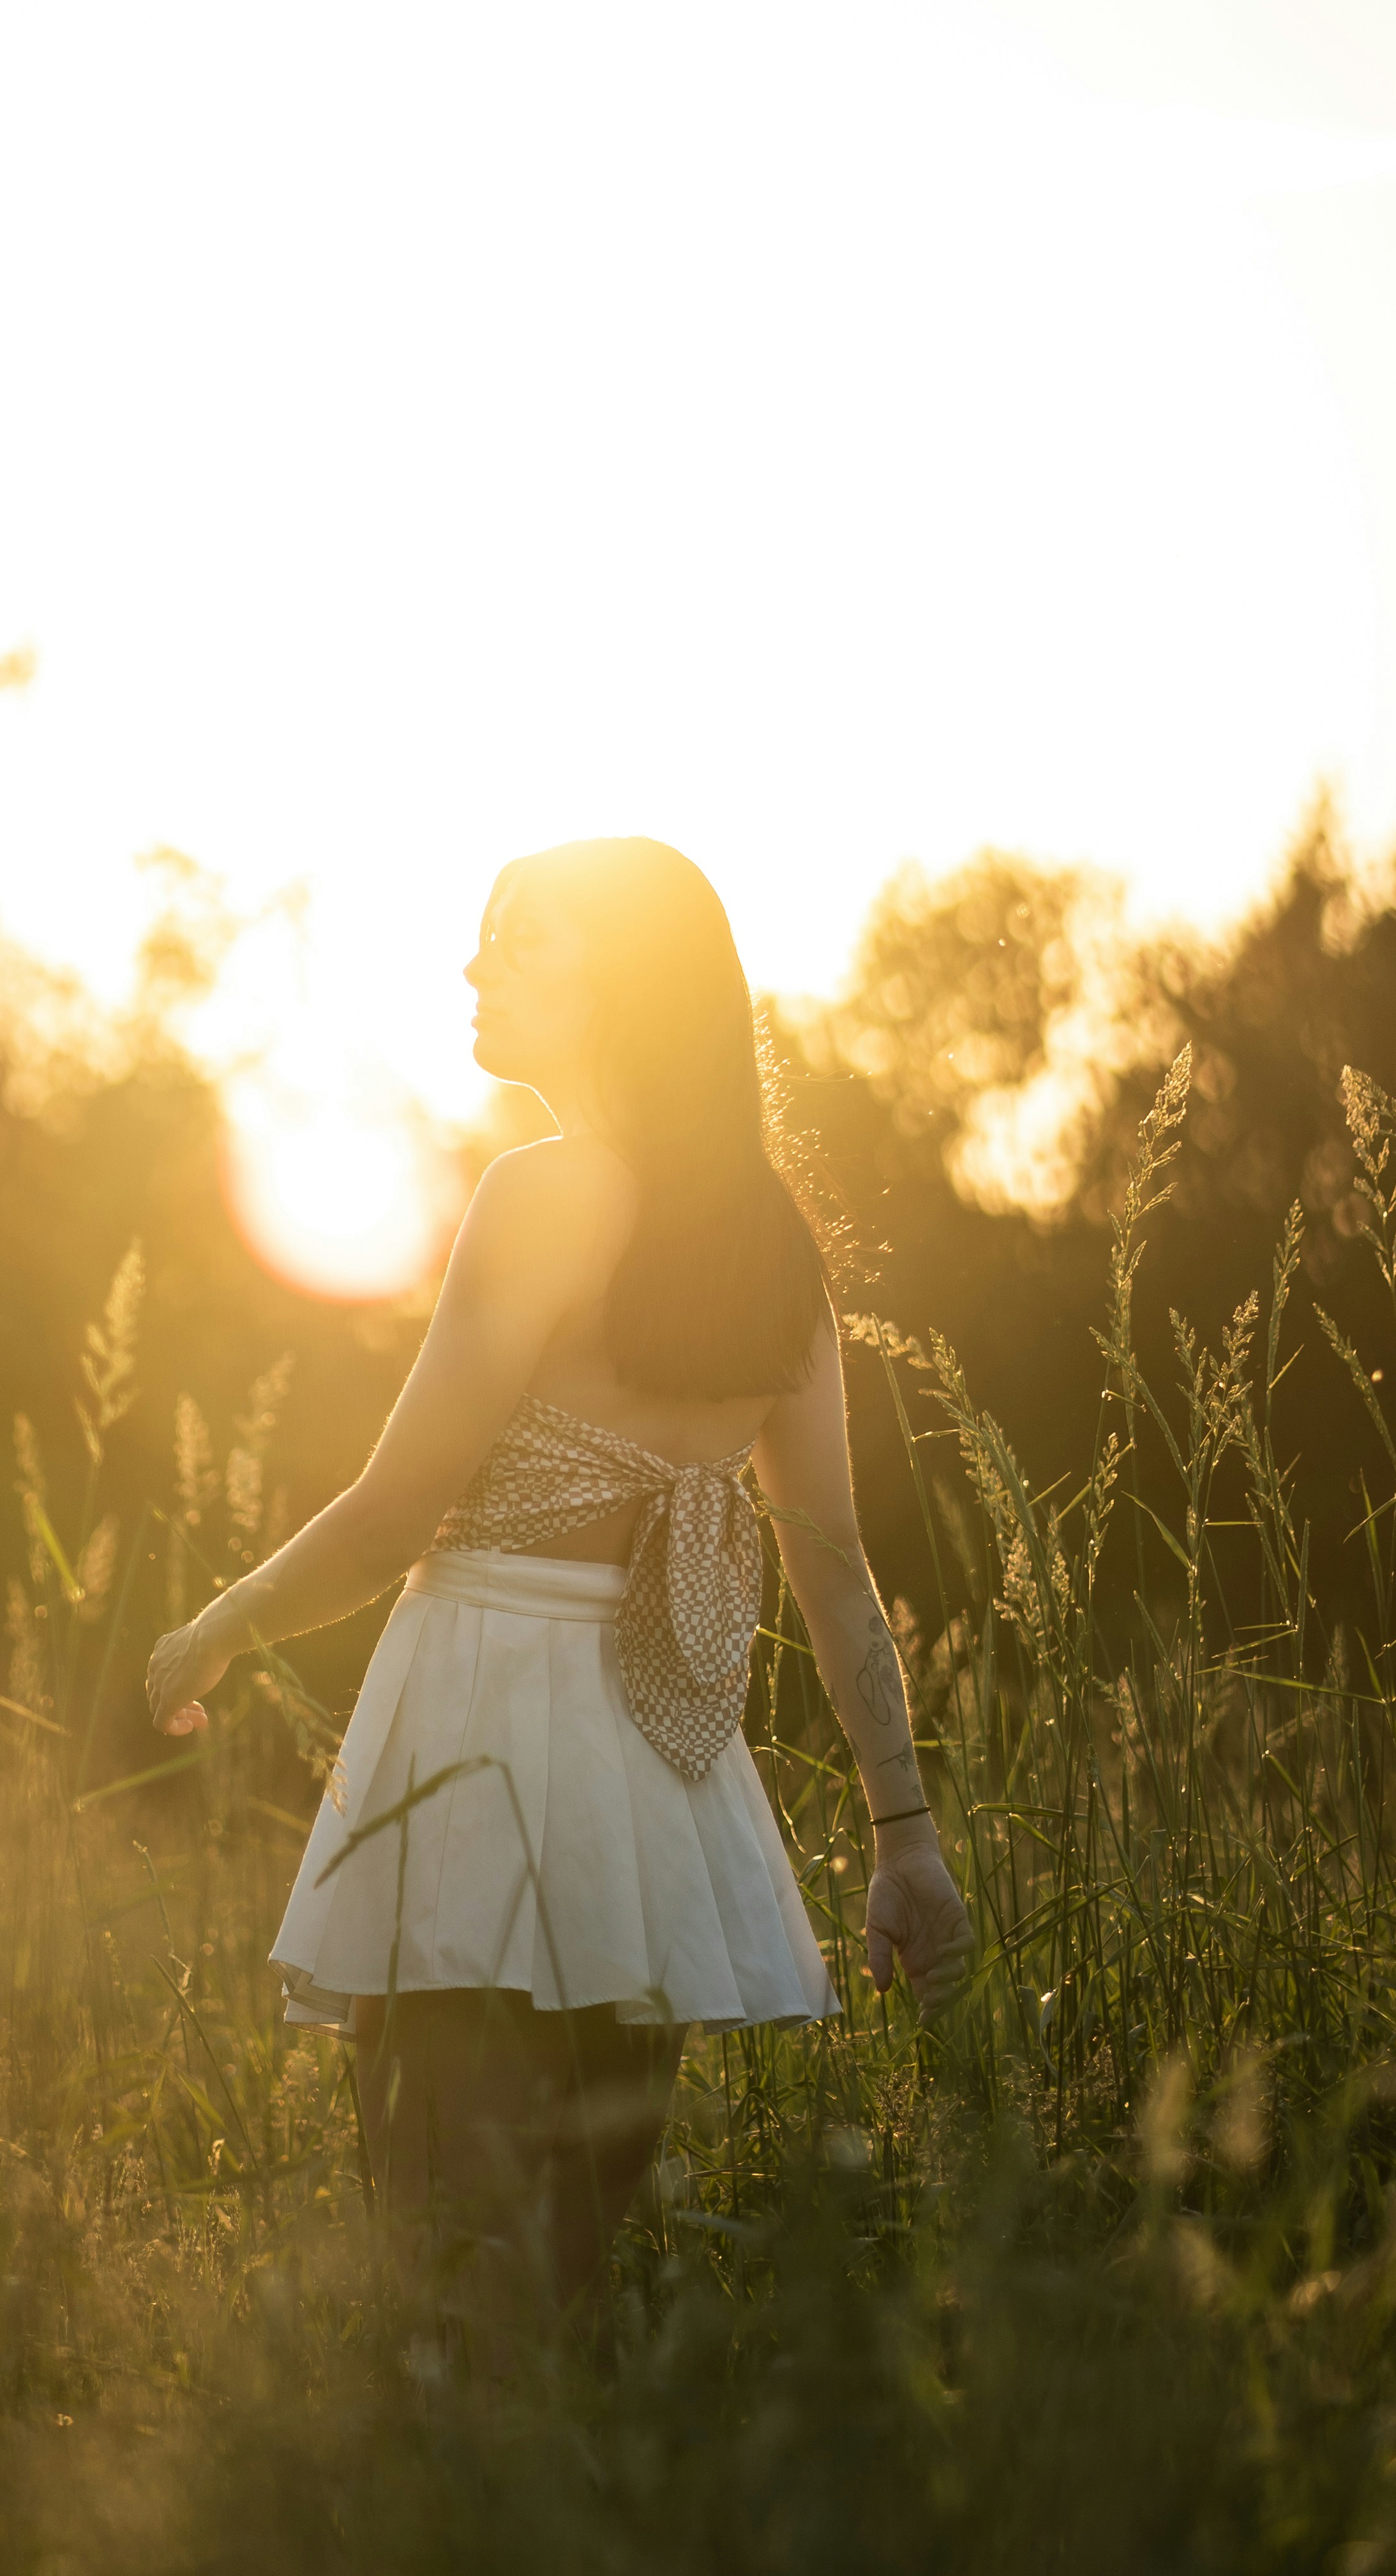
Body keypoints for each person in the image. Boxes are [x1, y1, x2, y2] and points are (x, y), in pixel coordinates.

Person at [146, 836, 972, 2335]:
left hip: (479, 1731)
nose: (477, 968)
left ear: (627, 989)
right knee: (576, 2249)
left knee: (438, 2236)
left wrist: (221, 1623)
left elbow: (399, 1505)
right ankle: (570, 2523)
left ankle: (448, 2530)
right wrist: (902, 1832)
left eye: (521, 940)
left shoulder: (542, 1195)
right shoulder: (780, 1249)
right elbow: (836, 1565)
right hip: (657, 1775)